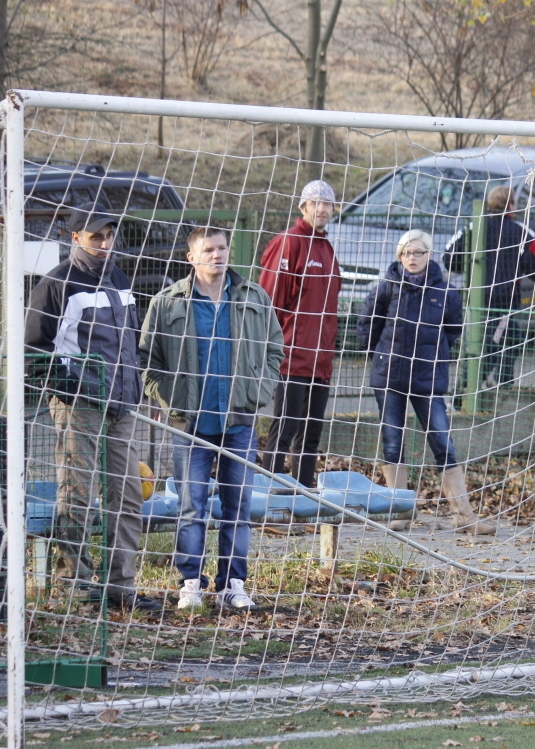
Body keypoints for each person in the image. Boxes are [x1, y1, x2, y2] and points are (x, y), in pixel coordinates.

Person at [24, 202, 161, 612]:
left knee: (128, 495)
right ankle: (75, 585)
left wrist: (136, 388)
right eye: (95, 236)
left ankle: (121, 587)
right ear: (75, 238)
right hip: (79, 405)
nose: (104, 243)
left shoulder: (119, 277)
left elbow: (130, 342)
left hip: (122, 406)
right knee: (79, 494)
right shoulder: (56, 284)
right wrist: (73, 389)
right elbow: (34, 350)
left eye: (109, 235)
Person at [139, 226, 284, 611]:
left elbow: (274, 348)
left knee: (239, 505)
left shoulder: (253, 297)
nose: (217, 255)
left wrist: (259, 391)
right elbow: (146, 360)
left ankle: (233, 582)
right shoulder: (167, 304)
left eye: (222, 248)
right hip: (191, 424)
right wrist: (169, 399)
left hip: (240, 420)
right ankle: (191, 582)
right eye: (208, 249)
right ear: (192, 257)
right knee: (192, 505)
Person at [357, 229, 496, 535]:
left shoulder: (445, 292)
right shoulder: (387, 288)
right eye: (407, 253)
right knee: (393, 443)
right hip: (389, 376)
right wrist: (379, 356)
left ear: (429, 255)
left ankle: (464, 515)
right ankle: (401, 511)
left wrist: (434, 355)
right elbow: (368, 324)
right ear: (399, 257)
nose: (413, 258)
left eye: (418, 252)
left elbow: (452, 330)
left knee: (443, 443)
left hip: (428, 378)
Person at [259, 179, 342, 488]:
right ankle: (272, 498)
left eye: (328, 203)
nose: (322, 209)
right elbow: (270, 303)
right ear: (303, 207)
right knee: (284, 430)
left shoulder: (328, 249)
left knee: (311, 437)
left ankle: (302, 500)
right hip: (291, 360)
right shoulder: (289, 242)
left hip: (320, 363)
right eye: (316, 203)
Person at [443, 185, 535, 388]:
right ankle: (466, 390)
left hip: (476, 299)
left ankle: (502, 383)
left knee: (506, 340)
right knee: (495, 344)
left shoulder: (473, 228)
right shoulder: (521, 233)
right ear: (511, 205)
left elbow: (448, 257)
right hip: (504, 300)